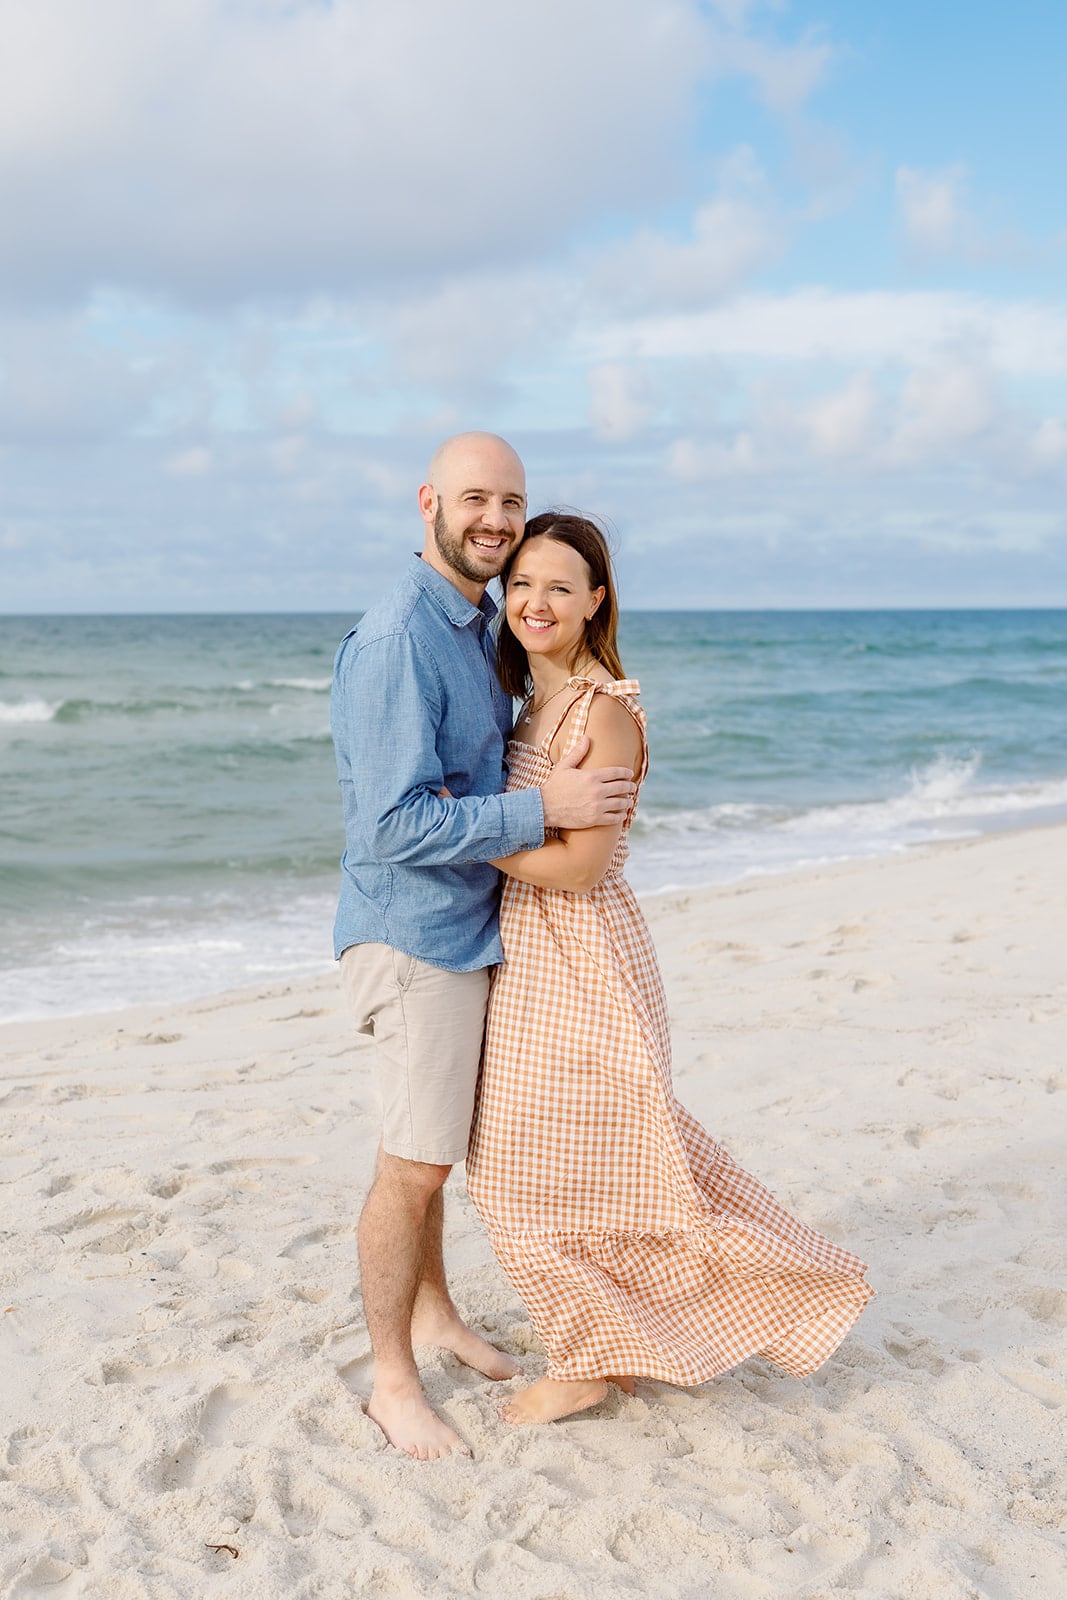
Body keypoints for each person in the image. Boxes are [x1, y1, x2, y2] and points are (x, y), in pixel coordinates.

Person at [466, 512, 874, 1425]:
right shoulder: (530, 700)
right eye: (522, 583)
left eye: (559, 587)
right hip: (530, 950)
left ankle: (584, 1361)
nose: (535, 601)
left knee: (531, 1165)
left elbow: (578, 865)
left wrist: (463, 835)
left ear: (594, 602)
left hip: (582, 956)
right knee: (570, 1161)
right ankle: (606, 1339)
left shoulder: (602, 710)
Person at [330, 436, 637, 1460]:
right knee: (412, 1169)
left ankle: (434, 1315)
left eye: (509, 501)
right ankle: (391, 1380)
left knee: (423, 1157)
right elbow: (390, 825)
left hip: (463, 932)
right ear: (428, 502)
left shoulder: (473, 625)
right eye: (474, 498)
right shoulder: (398, 639)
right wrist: (535, 808)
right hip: (413, 937)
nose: (494, 519)